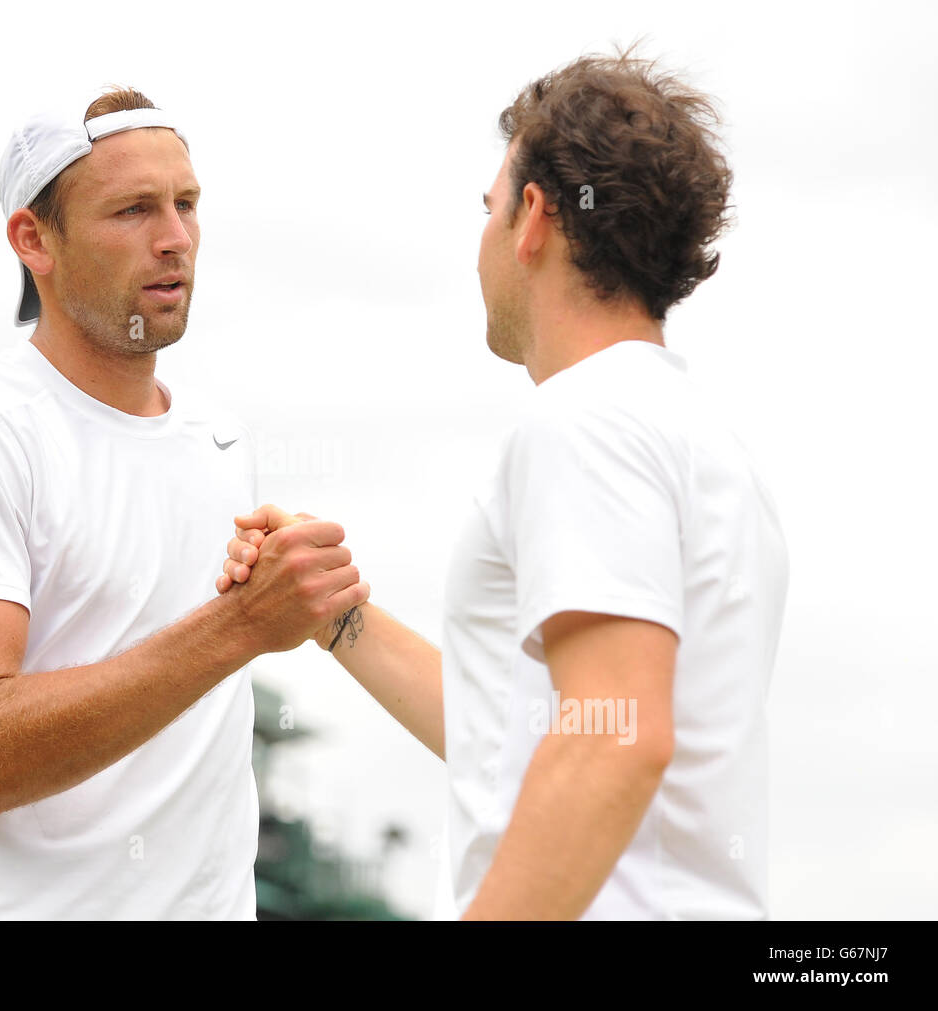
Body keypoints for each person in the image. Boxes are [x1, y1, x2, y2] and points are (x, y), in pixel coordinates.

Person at [217, 48, 790, 920]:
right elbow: (520, 739)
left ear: (532, 218)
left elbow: (616, 740)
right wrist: (337, 619)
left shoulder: (585, 423)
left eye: (487, 208)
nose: (480, 237)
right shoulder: (696, 440)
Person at [0, 87, 368, 920]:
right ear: (34, 240)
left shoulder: (220, 442)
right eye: (133, 209)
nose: (175, 238)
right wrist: (242, 625)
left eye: (187, 204)